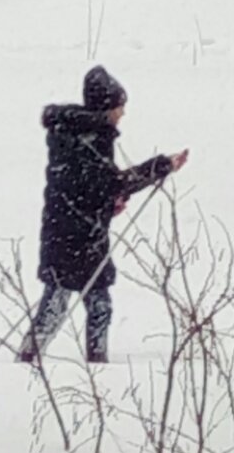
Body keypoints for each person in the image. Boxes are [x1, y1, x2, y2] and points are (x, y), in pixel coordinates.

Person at [17, 65, 188, 364]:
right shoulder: (88, 140)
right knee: (59, 306)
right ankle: (29, 361)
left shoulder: (81, 136)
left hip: (80, 235)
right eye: (120, 107)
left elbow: (89, 190)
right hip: (70, 238)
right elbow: (106, 185)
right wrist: (160, 167)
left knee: (97, 306)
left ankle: (96, 364)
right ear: (106, 108)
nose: (123, 113)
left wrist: (107, 205)